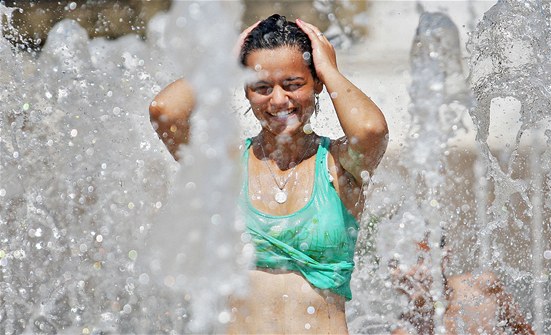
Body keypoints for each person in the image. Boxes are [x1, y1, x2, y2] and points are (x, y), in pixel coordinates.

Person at [149, 14, 388, 334]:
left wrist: (329, 69)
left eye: (293, 84)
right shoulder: (225, 166)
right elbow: (165, 112)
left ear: (316, 84)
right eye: (262, 87)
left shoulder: (336, 164)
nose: (278, 100)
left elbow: (371, 130)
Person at [391, 238, 535, 335]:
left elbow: (525, 331)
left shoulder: (482, 286)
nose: (407, 271)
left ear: (444, 258)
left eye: (418, 258)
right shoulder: (406, 330)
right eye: (397, 262)